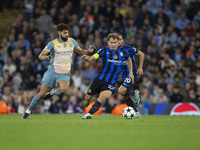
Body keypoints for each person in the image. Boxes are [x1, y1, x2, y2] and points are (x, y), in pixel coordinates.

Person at [22, 23, 95, 119]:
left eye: (67, 32)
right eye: (64, 33)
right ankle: (28, 111)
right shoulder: (52, 43)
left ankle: (51, 93)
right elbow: (41, 55)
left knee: (64, 89)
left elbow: (80, 51)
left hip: (64, 72)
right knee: (41, 93)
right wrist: (42, 57)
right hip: (52, 71)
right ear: (59, 32)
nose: (67, 34)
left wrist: (88, 51)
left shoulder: (72, 41)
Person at [81, 33, 134, 119]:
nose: (113, 44)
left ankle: (89, 114)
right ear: (108, 43)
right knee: (88, 97)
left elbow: (129, 60)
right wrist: (88, 57)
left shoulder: (123, 52)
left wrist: (130, 73)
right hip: (99, 79)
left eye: (115, 42)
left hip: (111, 82)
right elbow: (93, 57)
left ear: (118, 43)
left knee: (102, 97)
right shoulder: (104, 51)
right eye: (111, 42)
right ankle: (87, 101)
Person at [117, 33, 144, 118]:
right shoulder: (115, 52)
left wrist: (140, 68)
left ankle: (134, 93)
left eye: (120, 39)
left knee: (121, 91)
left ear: (123, 41)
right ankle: (136, 113)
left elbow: (141, 54)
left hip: (131, 75)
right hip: (123, 76)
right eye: (117, 40)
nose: (119, 41)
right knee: (125, 95)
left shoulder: (129, 49)